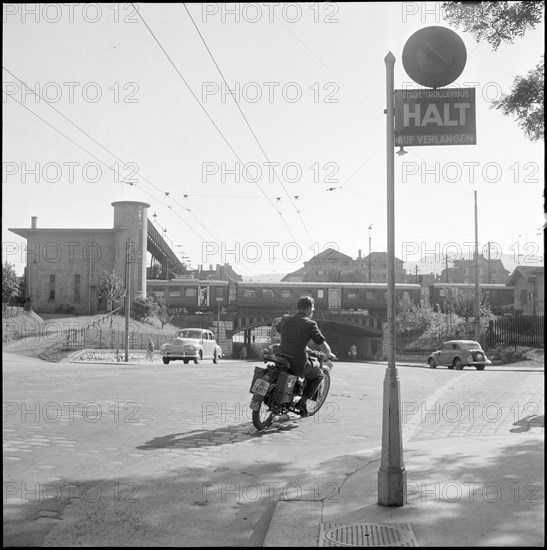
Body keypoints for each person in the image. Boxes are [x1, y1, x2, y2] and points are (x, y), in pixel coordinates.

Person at [277, 296, 335, 417]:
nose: (312, 313)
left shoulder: (285, 319)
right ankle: (302, 403)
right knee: (318, 374)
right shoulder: (310, 324)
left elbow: (279, 329)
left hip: (280, 357)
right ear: (308, 309)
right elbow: (321, 344)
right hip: (297, 362)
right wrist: (329, 354)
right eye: (312, 310)